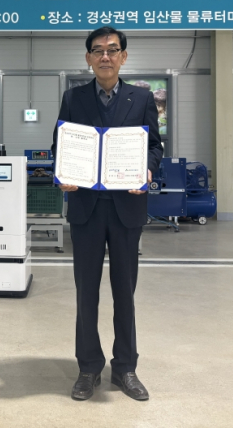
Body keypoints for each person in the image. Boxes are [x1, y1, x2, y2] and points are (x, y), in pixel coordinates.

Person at [52, 26, 163, 402]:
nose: (105, 56)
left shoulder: (141, 97)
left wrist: (148, 169)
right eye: (98, 50)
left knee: (124, 292)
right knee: (86, 292)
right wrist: (62, 174)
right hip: (85, 208)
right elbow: (61, 145)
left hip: (126, 207)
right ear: (88, 58)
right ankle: (88, 367)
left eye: (112, 50)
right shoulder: (73, 98)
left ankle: (125, 367)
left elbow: (154, 146)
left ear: (123, 57)